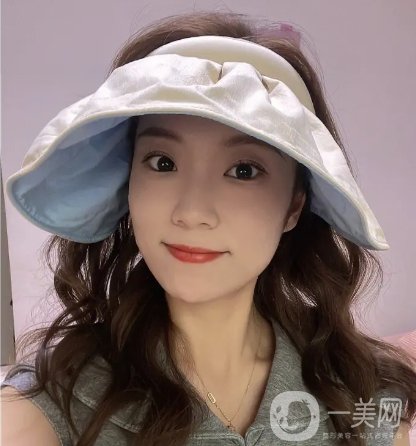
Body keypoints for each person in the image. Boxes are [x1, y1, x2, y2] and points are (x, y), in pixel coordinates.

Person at [1, 10, 415, 446]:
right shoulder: (46, 408)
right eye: (163, 162)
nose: (192, 212)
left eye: (243, 170)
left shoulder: (368, 398)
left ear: (294, 206)